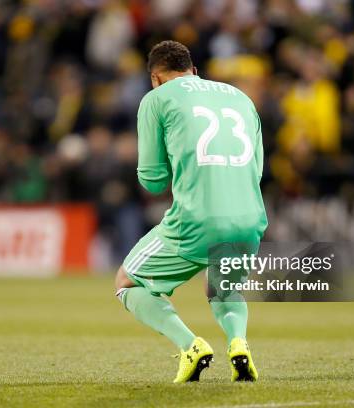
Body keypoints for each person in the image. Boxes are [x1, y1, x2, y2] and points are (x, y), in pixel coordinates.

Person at [114, 41, 267, 383]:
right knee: (224, 288)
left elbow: (152, 181)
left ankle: (191, 346)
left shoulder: (156, 99)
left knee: (127, 282)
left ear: (155, 78)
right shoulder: (239, 97)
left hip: (197, 220)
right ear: (194, 71)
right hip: (249, 217)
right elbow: (256, 171)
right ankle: (239, 344)